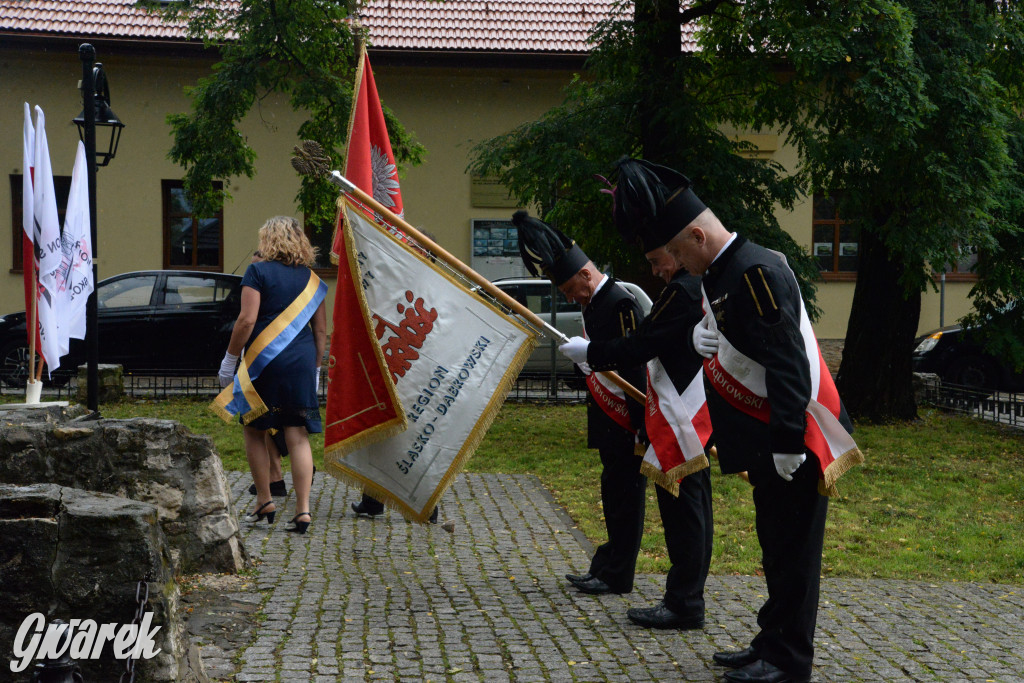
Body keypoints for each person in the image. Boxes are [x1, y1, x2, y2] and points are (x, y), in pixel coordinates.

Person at [616, 158, 860, 683]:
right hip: (765, 441)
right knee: (775, 548)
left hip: (790, 439)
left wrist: (790, 438)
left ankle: (788, 661)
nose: (676, 263)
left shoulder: (753, 270)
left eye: (677, 252)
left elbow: (788, 359)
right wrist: (701, 339)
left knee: (793, 557)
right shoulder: (726, 270)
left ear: (698, 236)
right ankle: (769, 643)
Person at [558, 241, 712, 630]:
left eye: (658, 261)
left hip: (672, 417)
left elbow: (639, 350)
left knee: (684, 511)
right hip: (669, 416)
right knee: (670, 507)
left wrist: (593, 355)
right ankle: (677, 596)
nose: (656, 271)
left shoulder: (674, 291)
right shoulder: (683, 290)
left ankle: (682, 600)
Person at [512, 210, 647, 596]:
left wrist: (640, 423)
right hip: (607, 417)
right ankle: (606, 563)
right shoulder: (595, 303)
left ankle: (618, 572)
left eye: (570, 289)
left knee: (625, 496)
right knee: (612, 491)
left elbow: (633, 366)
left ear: (586, 274)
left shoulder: (620, 303)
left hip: (627, 419)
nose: (570, 298)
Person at [218, 216, 327, 535]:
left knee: (254, 430)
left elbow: (246, 321)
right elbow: (320, 329)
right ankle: (303, 510)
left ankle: (265, 500)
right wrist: (316, 366)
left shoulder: (257, 271)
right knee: (297, 433)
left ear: (268, 240)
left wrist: (229, 360)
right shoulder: (312, 280)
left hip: (263, 364)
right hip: (301, 362)